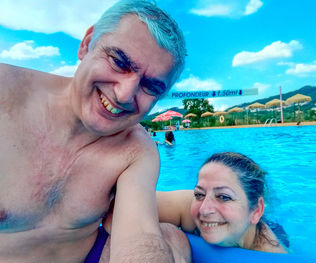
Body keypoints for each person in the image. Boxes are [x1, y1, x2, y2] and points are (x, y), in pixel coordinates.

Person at [0, 0, 188, 262]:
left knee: (171, 239)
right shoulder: (6, 95)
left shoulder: (136, 149)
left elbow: (139, 238)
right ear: (86, 44)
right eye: (118, 62)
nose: (124, 95)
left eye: (151, 87)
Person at [157, 152, 288, 253]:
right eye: (199, 194)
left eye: (224, 197)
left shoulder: (271, 253)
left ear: (256, 210)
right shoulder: (190, 207)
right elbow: (138, 205)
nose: (204, 209)